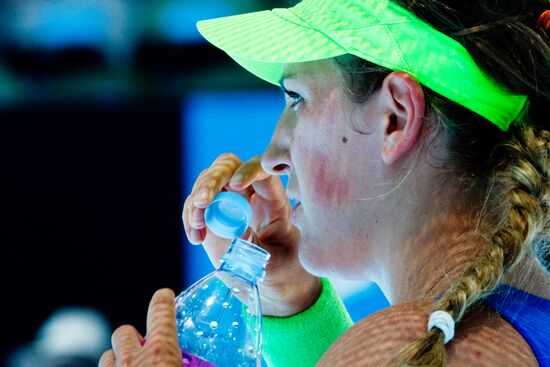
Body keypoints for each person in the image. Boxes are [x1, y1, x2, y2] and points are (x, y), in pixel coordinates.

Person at [99, 0, 550, 366]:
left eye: (296, 97)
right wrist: (292, 304)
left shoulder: (409, 346)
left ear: (396, 117)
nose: (273, 156)